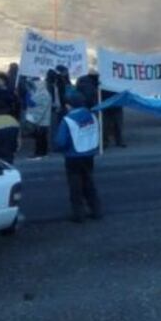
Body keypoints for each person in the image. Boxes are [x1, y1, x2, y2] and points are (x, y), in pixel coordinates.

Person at [53, 90, 102, 222]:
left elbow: (61, 141)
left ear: (69, 105)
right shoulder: (92, 115)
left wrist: (58, 148)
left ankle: (79, 214)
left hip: (73, 156)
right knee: (89, 182)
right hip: (89, 153)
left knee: (75, 186)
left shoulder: (67, 119)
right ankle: (95, 209)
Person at [24, 77, 52, 157]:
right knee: (41, 137)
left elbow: (40, 108)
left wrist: (35, 119)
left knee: (40, 138)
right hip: (42, 119)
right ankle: (42, 152)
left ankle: (39, 153)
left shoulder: (43, 94)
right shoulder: (40, 93)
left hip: (41, 120)